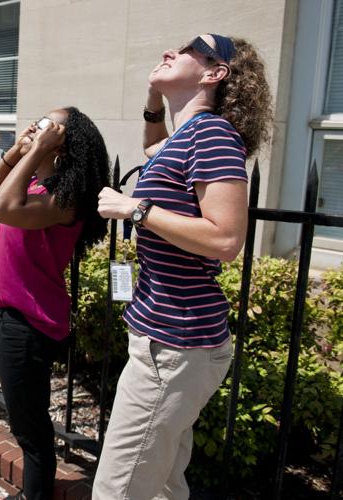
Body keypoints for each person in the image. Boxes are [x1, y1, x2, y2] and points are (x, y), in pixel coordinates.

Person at [94, 34, 272, 498]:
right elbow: (156, 148)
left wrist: (134, 209)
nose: (169, 51)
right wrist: (154, 97)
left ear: (216, 74)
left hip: (175, 346)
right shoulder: (186, 137)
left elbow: (227, 239)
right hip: (167, 341)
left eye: (192, 48)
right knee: (166, 484)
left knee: (118, 489)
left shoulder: (213, 134)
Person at [0, 107, 110, 500]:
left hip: (30, 321)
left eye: (50, 125)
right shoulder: (38, 187)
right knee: (25, 423)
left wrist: (36, 150)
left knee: (31, 430)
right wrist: (21, 151)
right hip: (11, 316)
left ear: (65, 144)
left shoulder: (65, 202)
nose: (40, 127)